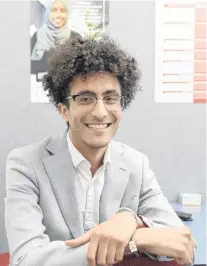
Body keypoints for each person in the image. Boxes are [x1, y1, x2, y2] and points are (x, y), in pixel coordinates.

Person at [5, 37, 195, 266]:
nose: (100, 112)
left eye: (110, 98)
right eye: (85, 98)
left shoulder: (137, 165)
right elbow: (26, 261)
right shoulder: (26, 164)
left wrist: (133, 221)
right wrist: (133, 239)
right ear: (64, 110)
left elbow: (182, 245)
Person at [31, 0, 80, 75]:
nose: (58, 15)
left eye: (62, 11)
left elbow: (80, 69)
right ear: (47, 13)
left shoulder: (76, 38)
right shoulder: (37, 36)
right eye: (53, 10)